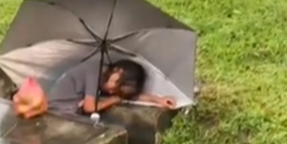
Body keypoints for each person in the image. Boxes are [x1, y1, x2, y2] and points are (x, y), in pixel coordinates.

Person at [12, 58, 176, 119]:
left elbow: (128, 95)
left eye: (117, 91)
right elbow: (90, 107)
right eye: (116, 84)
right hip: (57, 110)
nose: (112, 91)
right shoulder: (94, 71)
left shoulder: (109, 81)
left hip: (70, 108)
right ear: (116, 71)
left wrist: (158, 99)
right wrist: (113, 99)